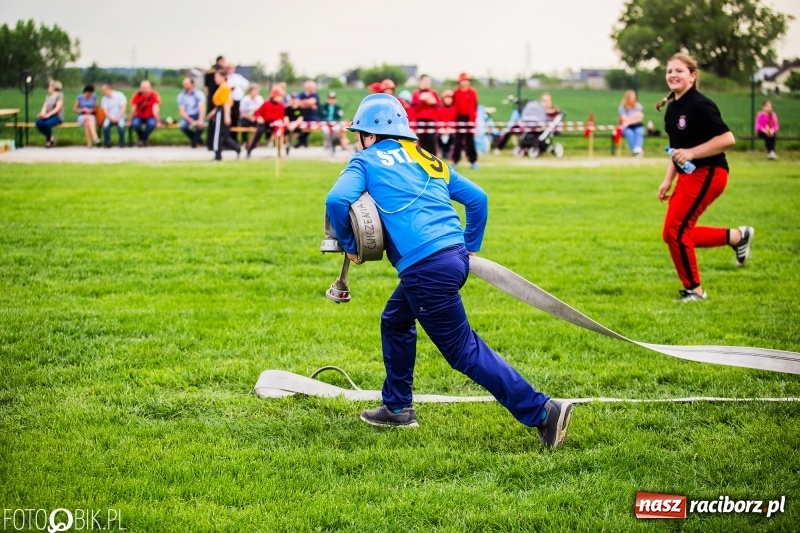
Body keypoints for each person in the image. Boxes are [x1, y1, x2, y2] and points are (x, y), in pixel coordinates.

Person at [325, 93, 573, 448]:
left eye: (359, 133)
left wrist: (349, 246)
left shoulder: (364, 161)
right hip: (452, 257)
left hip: (425, 269)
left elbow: (335, 200)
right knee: (395, 320)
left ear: (371, 134)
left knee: (463, 350)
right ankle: (397, 407)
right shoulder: (427, 158)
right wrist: (470, 245)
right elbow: (478, 199)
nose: (357, 140)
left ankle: (543, 412)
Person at [656, 52, 754, 302]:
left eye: (679, 70)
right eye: (670, 71)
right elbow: (675, 150)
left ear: (693, 75)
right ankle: (736, 237)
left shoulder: (700, 104)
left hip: (710, 172)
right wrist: (668, 180)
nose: (673, 75)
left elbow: (727, 139)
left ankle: (695, 291)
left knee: (676, 231)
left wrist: (692, 153)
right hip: (689, 175)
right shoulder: (672, 109)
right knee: (673, 234)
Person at [206, 68, 241, 161]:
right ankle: (236, 148)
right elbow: (219, 103)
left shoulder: (224, 87)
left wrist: (226, 116)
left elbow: (226, 103)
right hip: (219, 110)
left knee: (218, 133)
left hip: (223, 112)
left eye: (217, 77)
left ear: (223, 77)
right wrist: (213, 112)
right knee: (224, 134)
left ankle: (218, 154)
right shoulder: (222, 87)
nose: (215, 79)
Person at [246, 86, 286, 157]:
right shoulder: (266, 103)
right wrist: (259, 117)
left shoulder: (281, 106)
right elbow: (258, 113)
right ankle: (250, 148)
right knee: (259, 131)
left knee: (280, 131)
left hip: (275, 124)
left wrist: (279, 122)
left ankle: (281, 149)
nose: (281, 98)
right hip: (265, 123)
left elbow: (282, 117)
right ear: (274, 96)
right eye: (279, 96)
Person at [452, 72, 479, 170]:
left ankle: (473, 161)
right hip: (459, 118)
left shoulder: (472, 92)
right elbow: (454, 107)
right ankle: (455, 161)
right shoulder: (456, 93)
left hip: (469, 119)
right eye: (463, 81)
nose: (465, 83)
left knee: (470, 141)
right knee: (457, 141)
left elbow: (475, 107)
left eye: (467, 81)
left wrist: (473, 121)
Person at [411, 74, 441, 155]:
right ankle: (423, 161)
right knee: (422, 142)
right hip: (420, 120)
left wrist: (433, 102)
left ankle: (434, 161)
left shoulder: (433, 93)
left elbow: (439, 106)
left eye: (428, 81)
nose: (427, 83)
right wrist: (421, 101)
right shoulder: (416, 93)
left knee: (432, 141)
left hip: (431, 120)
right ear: (420, 82)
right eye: (425, 81)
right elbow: (414, 107)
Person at [130, 80, 161, 147]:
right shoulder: (137, 95)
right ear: (140, 88)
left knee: (151, 124)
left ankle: (142, 139)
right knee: (135, 124)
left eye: (146, 87)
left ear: (150, 87)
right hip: (139, 116)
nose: (144, 89)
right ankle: (144, 138)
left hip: (150, 116)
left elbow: (156, 109)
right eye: (143, 87)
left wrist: (158, 121)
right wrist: (130, 120)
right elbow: (133, 109)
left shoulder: (154, 95)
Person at [177, 77, 205, 148]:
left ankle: (194, 141)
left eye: (186, 84)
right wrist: (188, 119)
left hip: (197, 114)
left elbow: (201, 107)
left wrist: (200, 119)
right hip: (187, 115)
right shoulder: (181, 96)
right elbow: (182, 110)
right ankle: (196, 139)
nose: (185, 86)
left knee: (201, 125)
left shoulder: (198, 94)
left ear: (192, 84)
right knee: (182, 126)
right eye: (184, 84)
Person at [205, 55, 226, 150]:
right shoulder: (221, 71)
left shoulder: (209, 71)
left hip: (211, 98)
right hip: (219, 100)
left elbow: (206, 87)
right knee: (219, 125)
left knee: (211, 123)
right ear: (220, 61)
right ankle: (218, 145)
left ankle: (210, 144)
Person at [35, 80, 65, 148]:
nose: (48, 88)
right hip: (47, 116)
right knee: (38, 122)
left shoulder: (60, 96)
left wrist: (48, 115)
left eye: (49, 87)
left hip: (57, 116)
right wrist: (42, 114)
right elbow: (44, 107)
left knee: (47, 124)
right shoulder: (48, 97)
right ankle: (51, 138)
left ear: (53, 87)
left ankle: (48, 141)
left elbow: (57, 108)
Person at [226, 62, 249, 142]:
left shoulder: (238, 77)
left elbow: (246, 84)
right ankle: (227, 139)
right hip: (228, 102)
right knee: (228, 120)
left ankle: (234, 139)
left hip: (237, 101)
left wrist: (242, 92)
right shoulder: (225, 77)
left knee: (235, 120)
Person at [618, 90, 645, 156]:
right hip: (627, 127)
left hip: (637, 125)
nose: (632, 100)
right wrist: (634, 117)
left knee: (639, 132)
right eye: (630, 98)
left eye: (633, 98)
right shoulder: (622, 107)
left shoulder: (638, 106)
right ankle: (635, 151)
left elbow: (640, 118)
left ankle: (638, 149)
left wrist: (629, 119)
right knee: (629, 133)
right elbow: (624, 119)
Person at [100, 83, 126, 148]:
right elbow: (105, 111)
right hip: (109, 116)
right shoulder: (104, 99)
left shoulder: (120, 95)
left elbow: (123, 108)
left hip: (120, 115)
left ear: (109, 89)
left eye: (104, 90)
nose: (102, 92)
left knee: (121, 126)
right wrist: (111, 118)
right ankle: (107, 142)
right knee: (105, 126)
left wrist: (118, 117)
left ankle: (122, 142)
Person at [296, 80, 320, 149]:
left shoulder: (315, 95)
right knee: (299, 125)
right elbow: (299, 104)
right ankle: (303, 141)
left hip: (312, 116)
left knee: (310, 125)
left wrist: (303, 103)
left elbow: (312, 102)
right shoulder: (301, 94)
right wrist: (309, 104)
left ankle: (301, 140)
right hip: (302, 115)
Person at [437, 89, 457, 160]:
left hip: (450, 130)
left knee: (453, 137)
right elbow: (438, 119)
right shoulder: (439, 109)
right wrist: (442, 128)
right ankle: (442, 151)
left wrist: (449, 128)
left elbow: (454, 120)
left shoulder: (454, 109)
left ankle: (449, 152)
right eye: (447, 98)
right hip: (441, 130)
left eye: (450, 98)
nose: (448, 100)